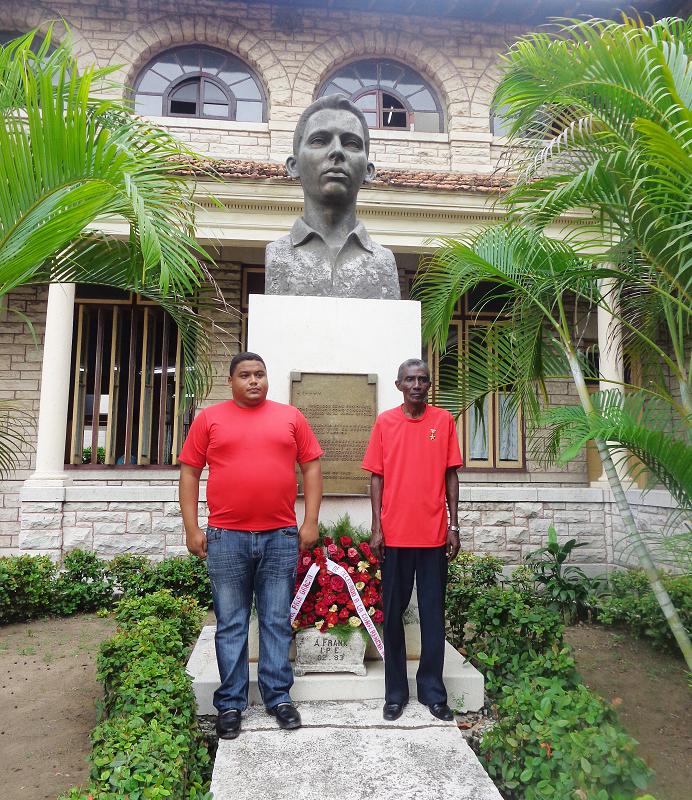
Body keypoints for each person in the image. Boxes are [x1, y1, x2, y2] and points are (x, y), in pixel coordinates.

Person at [178, 352, 323, 739]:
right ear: (231, 381)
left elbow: (311, 466)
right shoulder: (209, 419)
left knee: (276, 620)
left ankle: (278, 698)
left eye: (260, 374)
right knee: (231, 624)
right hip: (226, 538)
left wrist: (310, 520)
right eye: (245, 375)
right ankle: (230, 704)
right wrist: (192, 527)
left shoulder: (290, 417)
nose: (254, 381)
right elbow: (190, 472)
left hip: (280, 537)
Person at [361, 358, 462, 722]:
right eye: (410, 379)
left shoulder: (443, 422)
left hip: (434, 536)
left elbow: (451, 475)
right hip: (395, 536)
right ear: (398, 384)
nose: (417, 384)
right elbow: (376, 477)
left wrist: (454, 525)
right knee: (393, 614)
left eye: (423, 379)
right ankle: (396, 693)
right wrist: (377, 527)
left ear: (429, 384)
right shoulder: (385, 422)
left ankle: (433, 692)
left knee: (433, 615)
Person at [265, 93, 401, 300]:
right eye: (320, 141)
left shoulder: (383, 262)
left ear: (368, 171)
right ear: (294, 166)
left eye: (352, 143)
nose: (337, 151)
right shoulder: (277, 255)